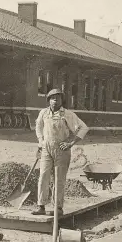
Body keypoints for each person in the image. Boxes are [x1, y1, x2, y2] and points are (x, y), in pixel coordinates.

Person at [32, 88, 89, 216]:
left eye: (58, 98)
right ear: (48, 100)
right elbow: (38, 126)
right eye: (52, 98)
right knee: (43, 176)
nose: (55, 101)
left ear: (62, 100)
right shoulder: (43, 113)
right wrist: (40, 141)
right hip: (46, 149)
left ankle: (58, 207)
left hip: (61, 150)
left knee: (59, 179)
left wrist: (71, 143)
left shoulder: (68, 114)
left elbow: (83, 128)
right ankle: (41, 206)